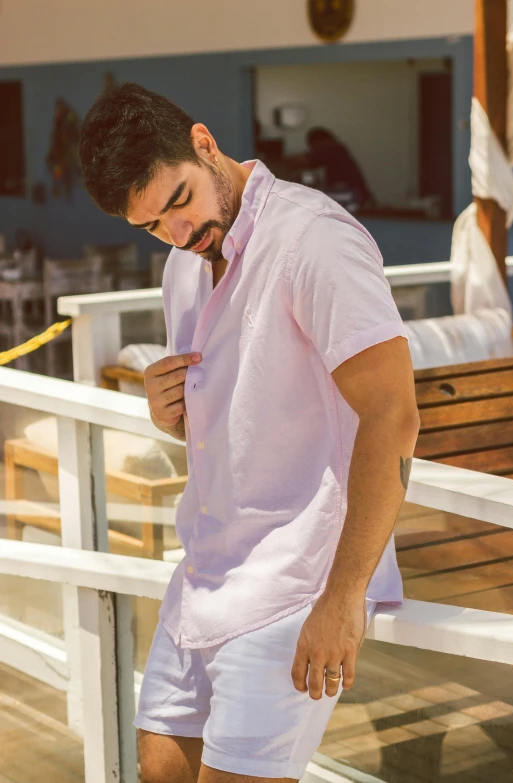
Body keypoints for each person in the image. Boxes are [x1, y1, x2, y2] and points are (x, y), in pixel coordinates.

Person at [79, 82, 419, 783]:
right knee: (158, 773)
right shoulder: (182, 267)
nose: (177, 232)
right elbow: (238, 425)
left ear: (204, 143)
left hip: (293, 586)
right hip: (202, 575)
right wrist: (171, 411)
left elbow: (394, 415)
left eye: (178, 200)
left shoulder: (312, 240)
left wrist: (344, 595)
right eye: (151, 225)